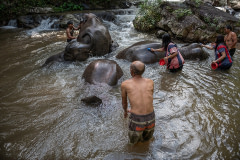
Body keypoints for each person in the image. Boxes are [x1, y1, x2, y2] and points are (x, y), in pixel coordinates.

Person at [121, 61, 155, 145]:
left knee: (133, 143)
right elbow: (148, 97)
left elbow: (124, 102)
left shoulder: (125, 84)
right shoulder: (150, 82)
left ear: (131, 71)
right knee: (147, 140)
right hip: (151, 117)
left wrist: (125, 111)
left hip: (137, 119)